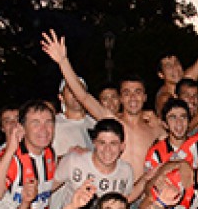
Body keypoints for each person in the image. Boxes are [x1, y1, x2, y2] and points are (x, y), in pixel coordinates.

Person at [41, 30, 160, 181]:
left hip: (146, 192)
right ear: (121, 98)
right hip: (114, 191)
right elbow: (83, 96)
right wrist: (63, 61)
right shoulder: (112, 122)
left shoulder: (156, 128)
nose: (132, 98)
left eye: (137, 92)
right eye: (127, 93)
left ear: (145, 97)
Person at [49, 118, 134, 209]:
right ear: (94, 143)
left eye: (113, 143)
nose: (107, 149)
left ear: (122, 146)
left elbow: (125, 202)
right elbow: (48, 189)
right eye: (102, 143)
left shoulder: (126, 171)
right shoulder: (74, 161)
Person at [154, 19, 198, 117]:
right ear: (161, 74)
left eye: (176, 63)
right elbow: (175, 123)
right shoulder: (165, 98)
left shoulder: (186, 79)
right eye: (168, 66)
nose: (175, 68)